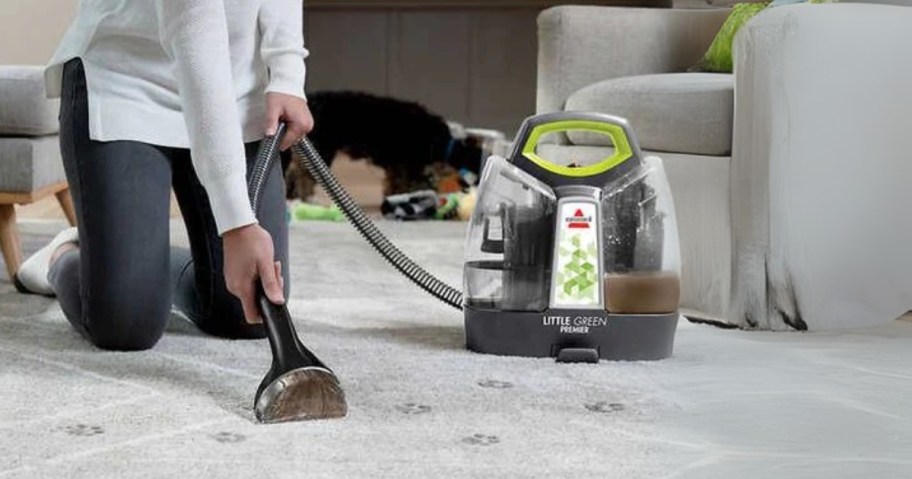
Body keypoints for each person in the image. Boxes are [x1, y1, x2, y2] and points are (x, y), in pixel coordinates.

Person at [13, 0, 312, 351]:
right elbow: (194, 22)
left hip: (234, 89)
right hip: (127, 83)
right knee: (126, 324)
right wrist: (238, 224)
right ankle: (63, 254)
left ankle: (138, 258)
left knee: (247, 310)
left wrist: (288, 73)